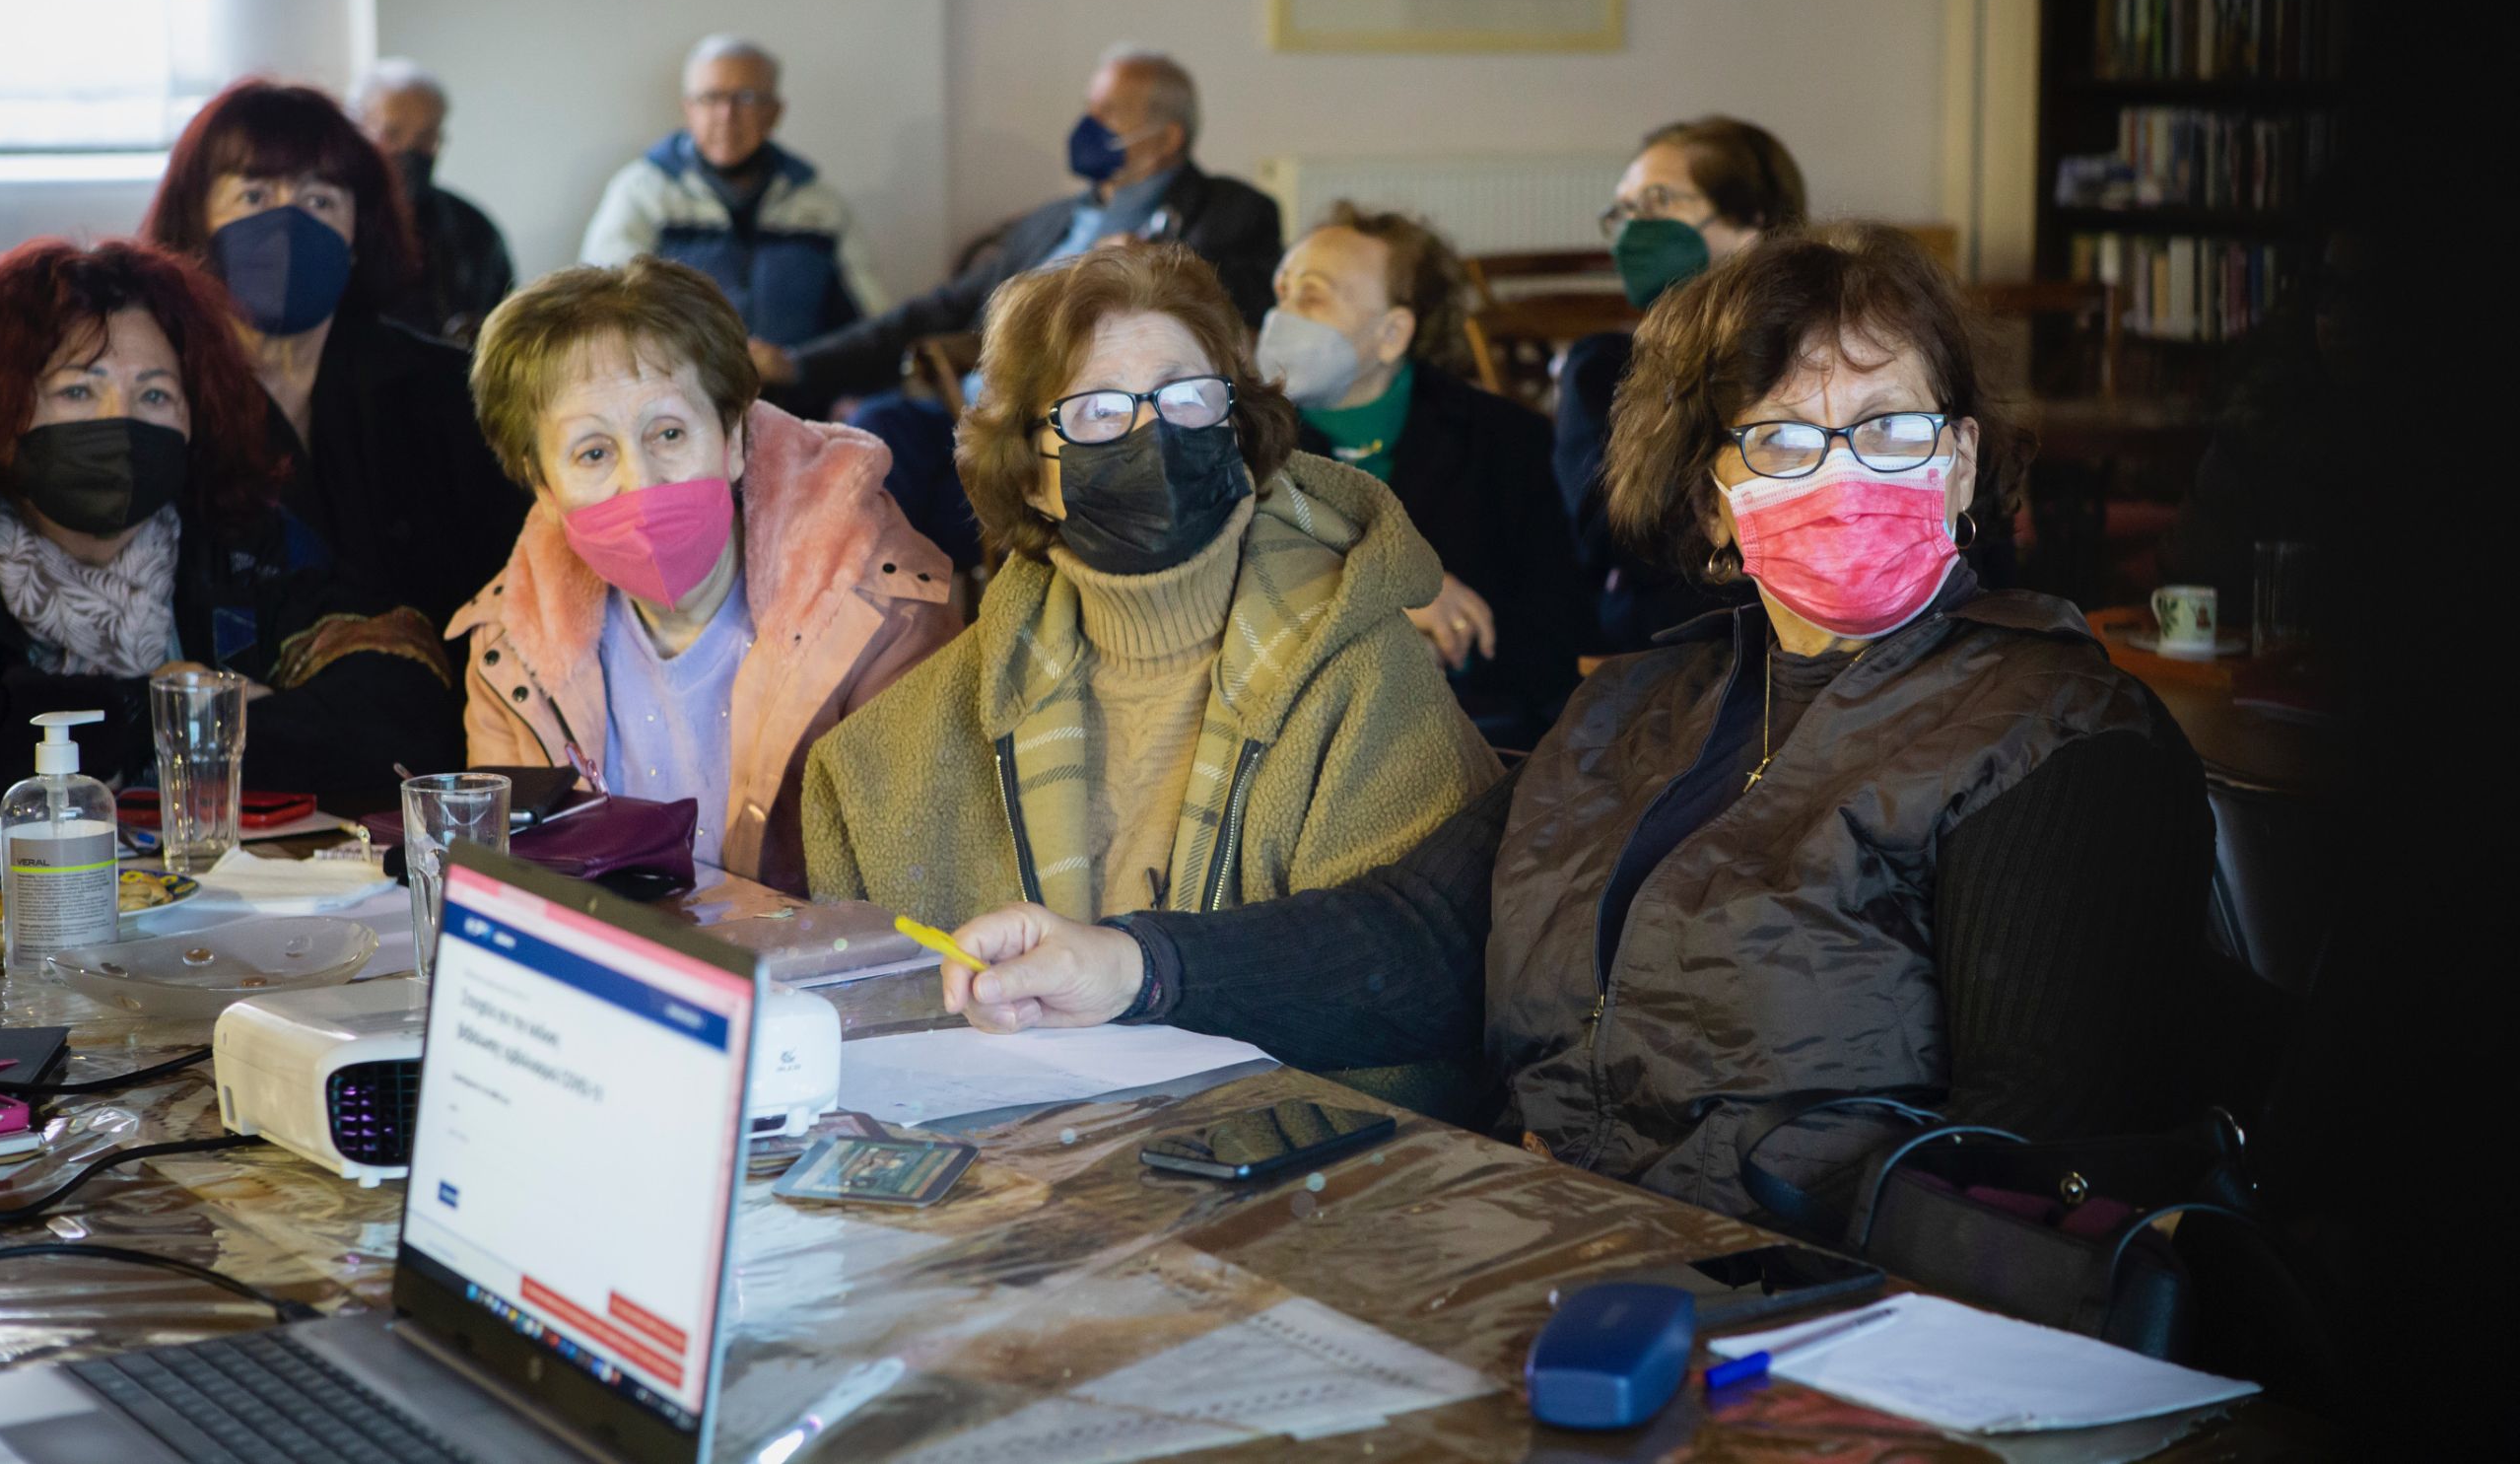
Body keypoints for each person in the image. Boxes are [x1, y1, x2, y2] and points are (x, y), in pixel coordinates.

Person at [922, 226, 2218, 1221]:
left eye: (1889, 426)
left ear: (1964, 462)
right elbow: (1425, 930)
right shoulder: (1635, 705)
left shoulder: (2058, 734)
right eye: (1781, 440)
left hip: (1814, 1328)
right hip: (1556, 1249)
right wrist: (1124, 962)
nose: (1843, 470)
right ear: (1714, 499)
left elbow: (2026, 1183)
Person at [801, 242, 1496, 930]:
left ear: (1235, 426)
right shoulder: (893, 754)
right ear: (1031, 477)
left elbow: (1401, 971)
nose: (1155, 432)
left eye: (1188, 396)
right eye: (1100, 410)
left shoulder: (1362, 670)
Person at [451, 257, 959, 892]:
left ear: (733, 438)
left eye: (668, 433)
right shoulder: (509, 644)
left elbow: (914, 893)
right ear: (544, 487)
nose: (640, 480)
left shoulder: (883, 617)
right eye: (593, 452)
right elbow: (511, 888)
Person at [0, 240, 461, 792]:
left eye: (154, 396)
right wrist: (164, 709)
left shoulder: (242, 544)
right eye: (77, 391)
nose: (119, 423)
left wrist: (218, 719)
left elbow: (405, 710)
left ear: (194, 417)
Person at [141, 79, 525, 632]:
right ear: (196, 221)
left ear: (356, 234)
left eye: (319, 200)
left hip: (422, 702)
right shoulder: (156, 393)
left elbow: (503, 586)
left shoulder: (447, 392)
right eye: (254, 196)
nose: (289, 224)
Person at [761, 46, 1283, 407]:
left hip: (1109, 408)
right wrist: (799, 364)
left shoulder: (1234, 211)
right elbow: (937, 310)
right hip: (981, 412)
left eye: (1109, 113)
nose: (1088, 125)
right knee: (878, 428)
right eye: (1089, 109)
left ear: (1168, 137)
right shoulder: (1049, 223)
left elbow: (1253, 302)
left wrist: (1162, 270)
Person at [1260, 205, 1583, 749]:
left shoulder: (1507, 440)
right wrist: (1394, 602)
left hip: (1470, 731)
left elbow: (1555, 631)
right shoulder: (1239, 439)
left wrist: (1440, 652)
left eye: (1311, 295)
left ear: (1392, 333)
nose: (1280, 317)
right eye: (1282, 291)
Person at [1556, 116, 1806, 653]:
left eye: (1659, 201)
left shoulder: (1817, 356)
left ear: (1754, 219)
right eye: (1624, 210)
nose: (1634, 227)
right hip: (1674, 633)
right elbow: (1607, 535)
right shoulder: (1604, 368)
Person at [580, 35, 887, 362]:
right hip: (676, 396)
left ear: (774, 112)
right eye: (710, 98)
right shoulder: (640, 193)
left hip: (800, 395)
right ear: (688, 109)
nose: (727, 115)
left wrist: (801, 369)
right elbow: (602, 311)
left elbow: (872, 322)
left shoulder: (821, 207)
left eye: (746, 97)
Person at [350, 56, 514, 345]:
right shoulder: (335, 225)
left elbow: (510, 329)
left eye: (426, 137)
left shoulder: (473, 231)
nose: (409, 150)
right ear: (357, 130)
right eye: (391, 134)